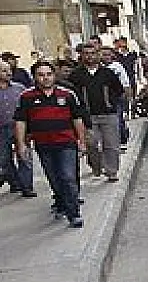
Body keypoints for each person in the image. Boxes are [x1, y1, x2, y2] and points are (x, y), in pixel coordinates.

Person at [14, 61, 89, 227]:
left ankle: (74, 213)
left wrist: (82, 142)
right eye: (41, 75)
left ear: (54, 75)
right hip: (43, 145)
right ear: (34, 77)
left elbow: (77, 119)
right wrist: (21, 145)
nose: (45, 78)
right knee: (54, 179)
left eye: (49, 74)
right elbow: (20, 122)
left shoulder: (67, 94)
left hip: (66, 143)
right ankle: (61, 202)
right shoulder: (26, 97)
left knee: (68, 177)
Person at [72, 44, 124, 181]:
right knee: (91, 144)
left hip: (108, 114)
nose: (89, 56)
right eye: (86, 53)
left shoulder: (107, 73)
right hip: (87, 116)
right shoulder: (76, 75)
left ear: (98, 55)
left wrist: (111, 102)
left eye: (92, 53)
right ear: (81, 55)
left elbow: (119, 90)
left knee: (111, 144)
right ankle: (96, 165)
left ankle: (112, 171)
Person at [0, 61, 35, 197]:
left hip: (21, 126)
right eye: (4, 70)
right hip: (2, 129)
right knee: (4, 159)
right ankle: (15, 182)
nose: (8, 73)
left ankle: (27, 187)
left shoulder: (19, 88)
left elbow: (29, 108)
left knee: (24, 156)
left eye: (9, 70)